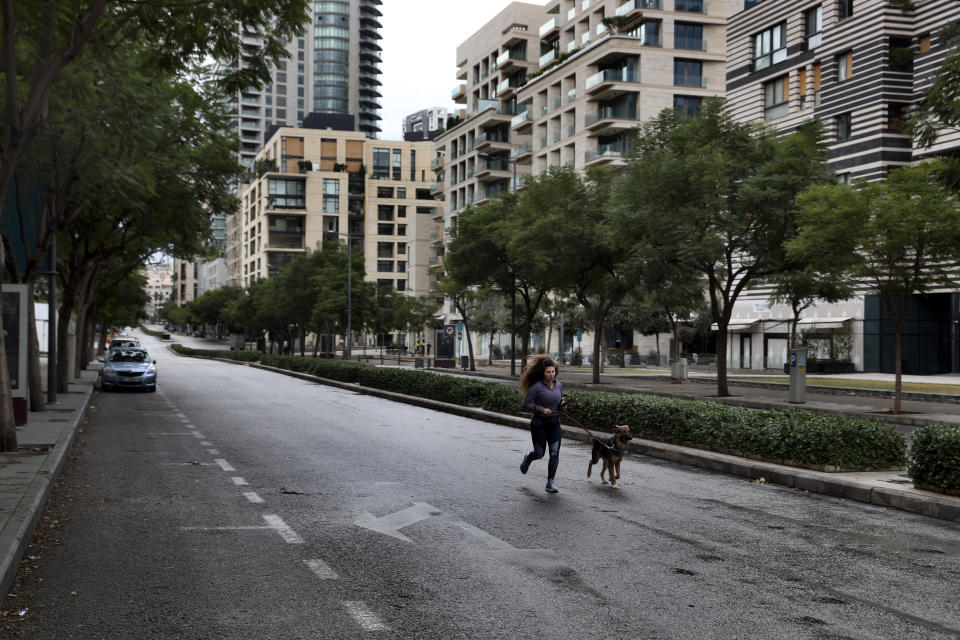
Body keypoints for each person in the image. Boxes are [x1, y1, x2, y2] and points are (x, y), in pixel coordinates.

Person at [519, 354, 565, 493]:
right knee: (540, 454)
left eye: (553, 371)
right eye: (548, 372)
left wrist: (562, 405)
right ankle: (528, 458)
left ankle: (550, 482)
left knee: (555, 453)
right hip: (539, 425)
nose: (551, 374)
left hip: (554, 424)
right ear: (543, 373)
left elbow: (559, 400)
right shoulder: (537, 387)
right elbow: (526, 404)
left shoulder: (559, 385)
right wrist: (540, 409)